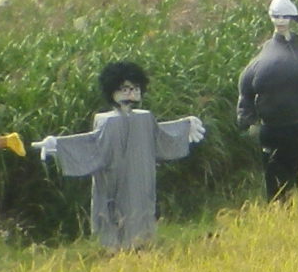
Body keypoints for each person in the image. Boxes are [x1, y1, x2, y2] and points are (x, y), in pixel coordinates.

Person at [41, 60, 207, 250]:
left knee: (143, 220)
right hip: (115, 182)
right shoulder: (107, 122)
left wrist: (185, 126)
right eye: (125, 88)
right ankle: (116, 254)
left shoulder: (144, 118)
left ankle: (143, 248)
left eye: (135, 88)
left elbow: (159, 136)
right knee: (115, 222)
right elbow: (91, 143)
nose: (131, 92)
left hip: (142, 182)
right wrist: (58, 145)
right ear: (112, 90)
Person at [236, 0, 298, 200]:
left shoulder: (259, 62)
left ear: (291, 19)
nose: (281, 21)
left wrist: (247, 121)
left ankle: (287, 209)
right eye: (277, 17)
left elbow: (245, 90)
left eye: (284, 17)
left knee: (278, 184)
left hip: (274, 130)